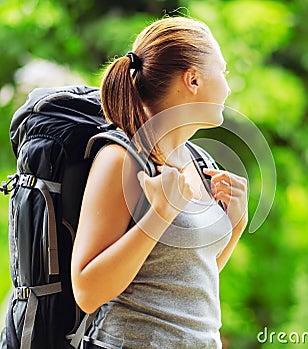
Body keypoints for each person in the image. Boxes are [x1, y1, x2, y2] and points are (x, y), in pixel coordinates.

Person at [71, 16, 248, 349]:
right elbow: (87, 291)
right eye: (222, 73)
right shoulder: (121, 158)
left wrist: (236, 224)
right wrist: (161, 214)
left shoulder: (195, 160)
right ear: (193, 79)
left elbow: (186, 280)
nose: (227, 86)